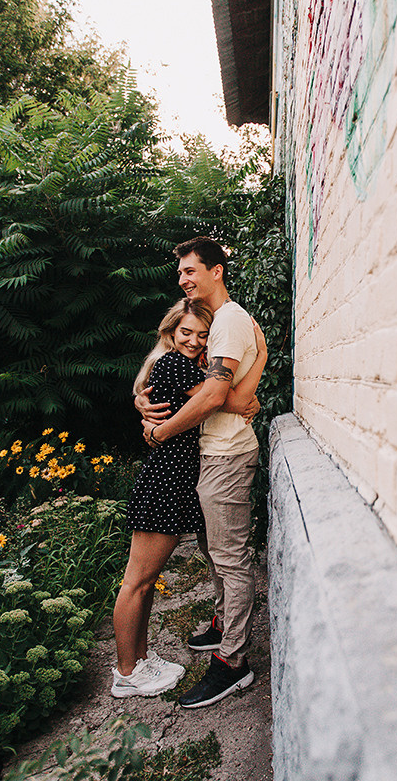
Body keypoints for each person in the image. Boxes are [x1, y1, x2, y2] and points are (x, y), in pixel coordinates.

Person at [111, 298, 265, 698]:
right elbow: (234, 402)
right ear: (169, 333)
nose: (195, 341)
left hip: (178, 480)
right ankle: (127, 672)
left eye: (202, 335)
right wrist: (261, 356)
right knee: (138, 582)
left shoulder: (182, 366)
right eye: (186, 333)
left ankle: (141, 661)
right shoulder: (175, 365)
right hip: (165, 482)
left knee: (146, 582)